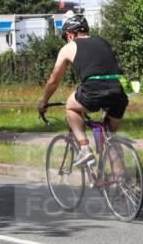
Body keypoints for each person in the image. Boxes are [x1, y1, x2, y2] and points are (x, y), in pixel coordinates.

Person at [38, 12, 129, 166]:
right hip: (120, 88)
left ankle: (85, 148)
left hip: (94, 88)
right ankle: (124, 182)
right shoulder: (102, 41)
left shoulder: (69, 47)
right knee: (110, 137)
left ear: (70, 35)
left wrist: (43, 102)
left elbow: (53, 81)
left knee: (71, 107)